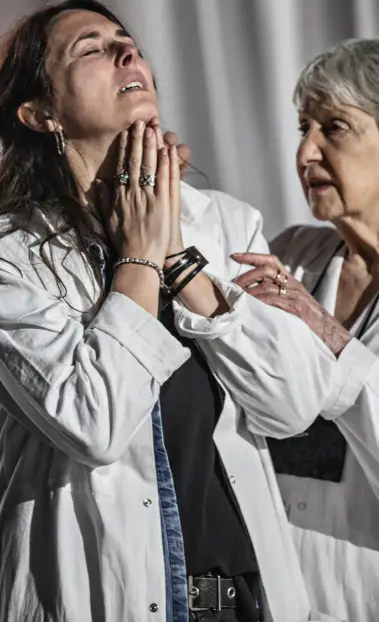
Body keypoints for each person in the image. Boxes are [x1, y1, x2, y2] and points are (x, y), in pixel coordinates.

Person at [0, 2, 359, 620]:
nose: (128, 53)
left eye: (129, 42)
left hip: (240, 602)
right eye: (91, 48)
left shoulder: (222, 222)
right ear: (41, 113)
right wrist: (140, 257)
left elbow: (293, 408)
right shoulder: (7, 253)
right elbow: (96, 425)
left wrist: (179, 259)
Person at [232, 38, 379, 622]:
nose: (305, 152)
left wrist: (330, 338)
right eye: (303, 128)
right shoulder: (290, 254)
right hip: (271, 587)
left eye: (334, 127)